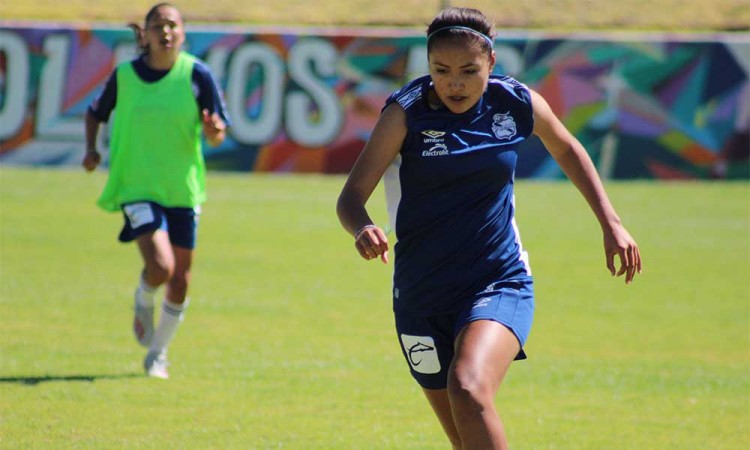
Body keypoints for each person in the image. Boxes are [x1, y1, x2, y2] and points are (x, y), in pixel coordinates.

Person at [336, 7, 642, 449]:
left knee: (468, 388)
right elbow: (351, 197)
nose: (454, 83)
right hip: (421, 292)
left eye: (468, 71)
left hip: (498, 280)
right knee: (465, 436)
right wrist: (362, 228)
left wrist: (611, 223)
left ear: (491, 63)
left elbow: (567, 148)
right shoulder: (405, 114)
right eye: (441, 70)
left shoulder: (515, 102)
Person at [82, 3, 230, 379]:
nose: (166, 31)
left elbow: (217, 133)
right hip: (137, 186)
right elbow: (95, 112)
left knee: (181, 279)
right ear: (144, 34)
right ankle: (144, 294)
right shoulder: (125, 76)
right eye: (158, 25)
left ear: (183, 33)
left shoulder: (197, 75)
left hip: (182, 189)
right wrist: (91, 150)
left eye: (172, 25)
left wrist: (213, 131)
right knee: (161, 267)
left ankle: (157, 354)